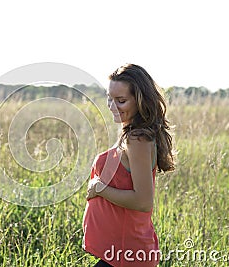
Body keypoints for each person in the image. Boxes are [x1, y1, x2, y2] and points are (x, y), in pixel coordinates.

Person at [82, 63, 175, 267]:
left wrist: (100, 189)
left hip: (127, 254)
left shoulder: (138, 139)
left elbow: (143, 201)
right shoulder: (129, 133)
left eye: (121, 100)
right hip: (118, 253)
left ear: (140, 101)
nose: (112, 106)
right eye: (109, 98)